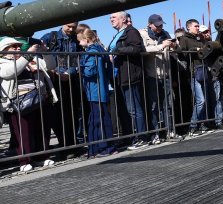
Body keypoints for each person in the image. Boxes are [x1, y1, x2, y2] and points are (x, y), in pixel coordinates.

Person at [0, 37, 57, 171]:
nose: (18, 49)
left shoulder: (29, 59)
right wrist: (27, 55)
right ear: (4, 50)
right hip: (18, 103)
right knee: (23, 133)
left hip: (38, 99)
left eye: (19, 46)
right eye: (13, 47)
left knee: (41, 130)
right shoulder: (3, 62)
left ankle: (42, 156)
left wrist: (45, 52)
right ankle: (25, 160)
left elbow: (51, 66)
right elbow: (10, 72)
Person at [41, 22, 87, 159]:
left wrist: (70, 73)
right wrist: (53, 71)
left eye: (73, 27)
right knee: (57, 115)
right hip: (54, 79)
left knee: (71, 114)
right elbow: (39, 54)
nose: (71, 29)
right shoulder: (50, 37)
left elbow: (79, 58)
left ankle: (71, 145)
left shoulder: (76, 39)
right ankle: (64, 145)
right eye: (69, 26)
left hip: (70, 79)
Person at [108, 11, 148, 150]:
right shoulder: (117, 34)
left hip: (130, 75)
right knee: (127, 110)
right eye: (110, 18)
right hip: (120, 76)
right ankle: (131, 137)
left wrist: (118, 51)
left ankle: (142, 137)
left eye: (114, 17)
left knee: (134, 109)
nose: (110, 20)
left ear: (123, 19)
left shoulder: (131, 31)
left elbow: (138, 48)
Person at [77, 29, 117, 158]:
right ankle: (100, 147)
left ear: (86, 40)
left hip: (94, 90)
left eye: (80, 40)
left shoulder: (91, 52)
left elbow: (89, 72)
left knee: (97, 119)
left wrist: (79, 66)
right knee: (101, 118)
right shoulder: (100, 49)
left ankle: (102, 147)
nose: (78, 42)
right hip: (101, 88)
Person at [139, 14, 177, 144]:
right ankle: (155, 134)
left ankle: (170, 131)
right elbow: (142, 50)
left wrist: (173, 46)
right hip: (151, 75)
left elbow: (175, 47)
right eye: (157, 25)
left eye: (161, 24)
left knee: (168, 104)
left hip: (166, 74)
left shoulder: (165, 33)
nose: (160, 27)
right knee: (153, 106)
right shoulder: (142, 34)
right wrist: (160, 47)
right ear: (150, 24)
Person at [178, 19, 211, 136]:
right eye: (196, 26)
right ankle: (193, 126)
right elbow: (181, 53)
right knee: (200, 100)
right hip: (193, 72)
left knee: (203, 100)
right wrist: (194, 50)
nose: (198, 28)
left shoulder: (200, 38)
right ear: (189, 28)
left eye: (198, 26)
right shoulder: (184, 39)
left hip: (203, 70)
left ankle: (201, 124)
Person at [199, 26, 223, 130]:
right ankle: (207, 122)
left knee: (218, 99)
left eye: (207, 31)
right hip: (205, 76)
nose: (207, 33)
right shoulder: (201, 45)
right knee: (206, 100)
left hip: (214, 75)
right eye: (204, 32)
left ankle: (218, 121)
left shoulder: (214, 44)